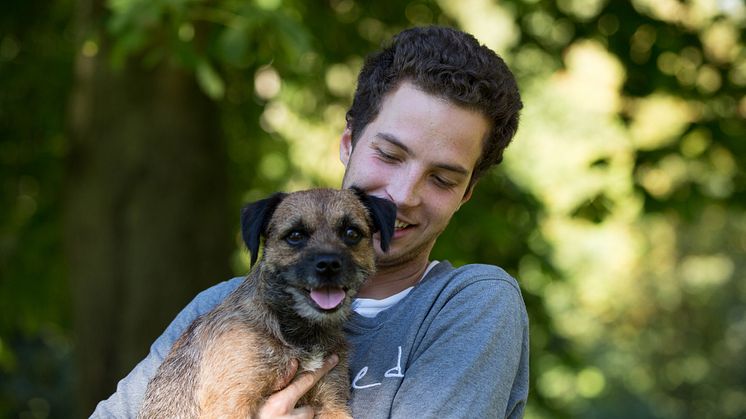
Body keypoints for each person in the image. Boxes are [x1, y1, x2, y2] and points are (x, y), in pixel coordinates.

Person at [92, 25, 529, 418]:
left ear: (466, 193)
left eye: (442, 178)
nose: (403, 195)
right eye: (390, 155)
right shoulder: (220, 309)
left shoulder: (470, 306)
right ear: (348, 142)